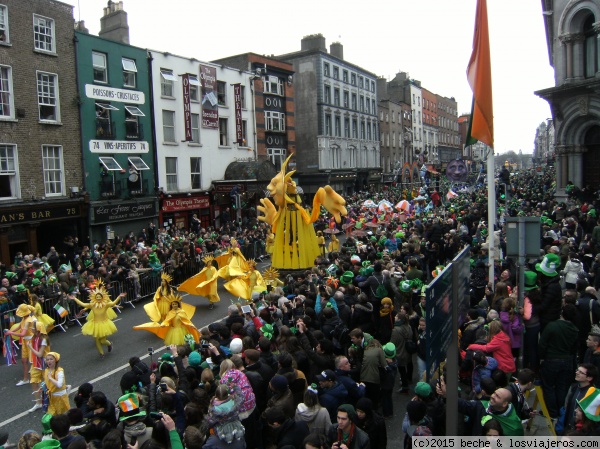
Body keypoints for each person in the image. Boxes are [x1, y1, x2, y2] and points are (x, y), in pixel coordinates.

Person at [72, 279, 126, 357]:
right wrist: (75, 299)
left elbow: (113, 302)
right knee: (97, 340)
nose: (98, 298)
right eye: (96, 297)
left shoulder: (106, 304)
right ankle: (101, 353)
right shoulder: (92, 305)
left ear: (102, 297)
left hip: (104, 323)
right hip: (95, 324)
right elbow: (83, 304)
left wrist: (119, 297)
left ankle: (109, 344)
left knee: (103, 340)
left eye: (99, 297)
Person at [134, 293, 199, 346]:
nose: (174, 305)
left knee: (184, 343)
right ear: (171, 305)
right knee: (176, 344)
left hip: (182, 330)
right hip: (174, 331)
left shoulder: (182, 312)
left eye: (176, 304)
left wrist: (190, 325)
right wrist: (164, 324)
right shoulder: (170, 313)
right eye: (173, 304)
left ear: (178, 304)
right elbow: (167, 320)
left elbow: (186, 320)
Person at [5, 303, 36, 386]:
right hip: (26, 342)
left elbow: (22, 333)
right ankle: (26, 379)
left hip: (31, 341)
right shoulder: (24, 319)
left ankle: (38, 376)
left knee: (33, 360)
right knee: (24, 360)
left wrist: (10, 332)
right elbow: (19, 327)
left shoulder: (28, 320)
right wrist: (10, 332)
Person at [27, 321, 50, 412]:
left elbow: (40, 354)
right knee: (33, 381)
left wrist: (30, 348)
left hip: (44, 363)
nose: (31, 329)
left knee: (49, 382)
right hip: (36, 363)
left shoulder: (43, 339)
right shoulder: (34, 337)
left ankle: (63, 389)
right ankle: (38, 402)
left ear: (37, 330)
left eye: (33, 327)